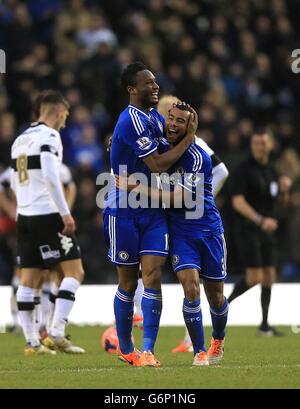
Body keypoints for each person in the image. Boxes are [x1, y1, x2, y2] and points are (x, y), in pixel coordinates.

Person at [116, 102, 229, 366]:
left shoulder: (199, 158)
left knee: (216, 296)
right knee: (191, 289)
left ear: (191, 126)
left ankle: (218, 339)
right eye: (171, 118)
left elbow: (177, 196)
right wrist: (118, 142)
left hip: (208, 230)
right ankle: (199, 351)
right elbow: (139, 149)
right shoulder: (162, 149)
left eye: (181, 121)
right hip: (180, 233)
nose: (174, 124)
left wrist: (135, 187)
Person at [103, 62, 197, 367]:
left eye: (155, 82)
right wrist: (188, 139)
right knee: (129, 283)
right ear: (133, 89)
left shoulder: (154, 118)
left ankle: (147, 351)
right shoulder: (129, 120)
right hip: (124, 209)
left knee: (153, 276)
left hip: (154, 210)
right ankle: (127, 349)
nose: (155, 87)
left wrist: (182, 136)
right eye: (149, 83)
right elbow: (158, 164)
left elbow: (165, 152)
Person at [11, 90, 85, 355]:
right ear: (55, 112)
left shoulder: (20, 140)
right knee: (74, 273)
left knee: (29, 279)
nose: (65, 121)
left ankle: (32, 342)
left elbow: (12, 179)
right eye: (64, 115)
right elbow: (51, 175)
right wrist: (65, 213)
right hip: (47, 213)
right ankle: (56, 332)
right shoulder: (49, 136)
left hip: (25, 215)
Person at [228, 129, 291, 336]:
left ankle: (264, 325)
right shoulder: (244, 170)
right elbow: (237, 202)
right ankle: (222, 306)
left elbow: (280, 203)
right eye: (256, 143)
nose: (259, 147)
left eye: (263, 143)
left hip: (267, 230)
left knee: (269, 275)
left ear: (270, 145)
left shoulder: (272, 171)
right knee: (254, 276)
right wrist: (260, 220)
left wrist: (284, 190)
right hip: (248, 229)